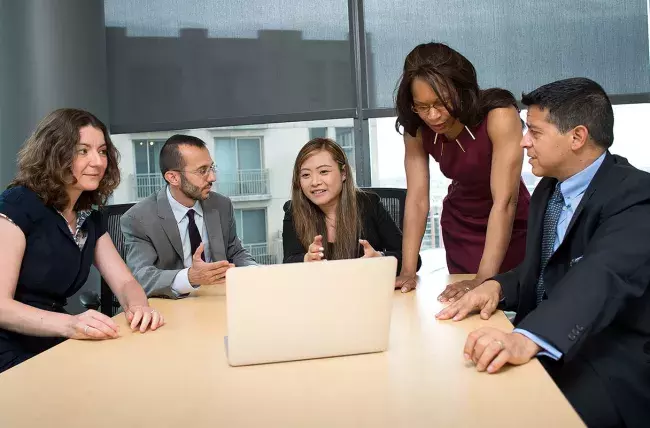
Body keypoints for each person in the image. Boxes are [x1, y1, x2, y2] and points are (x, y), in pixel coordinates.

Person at [436, 78, 650, 428]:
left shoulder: (636, 195)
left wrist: (526, 339)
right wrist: (497, 287)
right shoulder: (548, 190)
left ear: (577, 137)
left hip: (608, 354)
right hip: (556, 337)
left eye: (534, 132)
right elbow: (543, 272)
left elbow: (599, 276)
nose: (523, 142)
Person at [0, 108, 164, 373]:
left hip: (51, 339)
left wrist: (139, 307)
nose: (98, 162)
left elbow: (124, 282)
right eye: (82, 151)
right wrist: (71, 324)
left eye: (102, 151)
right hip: (9, 347)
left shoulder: (89, 216)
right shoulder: (16, 205)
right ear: (53, 154)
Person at [394, 43, 530, 297]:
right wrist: (408, 271)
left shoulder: (499, 115)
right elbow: (417, 199)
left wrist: (483, 278)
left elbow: (505, 202)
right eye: (422, 106)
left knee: (507, 300)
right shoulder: (416, 128)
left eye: (441, 103)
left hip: (509, 222)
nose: (433, 115)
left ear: (462, 90)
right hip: (460, 224)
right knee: (463, 311)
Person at [121, 134, 257, 299]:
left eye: (211, 168)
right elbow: (141, 277)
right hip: (169, 306)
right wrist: (190, 277)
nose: (212, 177)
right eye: (202, 171)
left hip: (215, 300)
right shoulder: (138, 219)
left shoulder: (221, 205)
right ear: (173, 178)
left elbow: (235, 252)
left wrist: (255, 272)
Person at [283, 137, 420, 274]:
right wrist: (306, 259)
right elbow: (288, 263)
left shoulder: (369, 205)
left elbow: (413, 260)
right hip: (320, 293)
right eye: (306, 175)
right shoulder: (293, 211)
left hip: (366, 291)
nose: (314, 182)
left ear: (344, 173)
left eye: (324, 172)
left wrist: (381, 259)